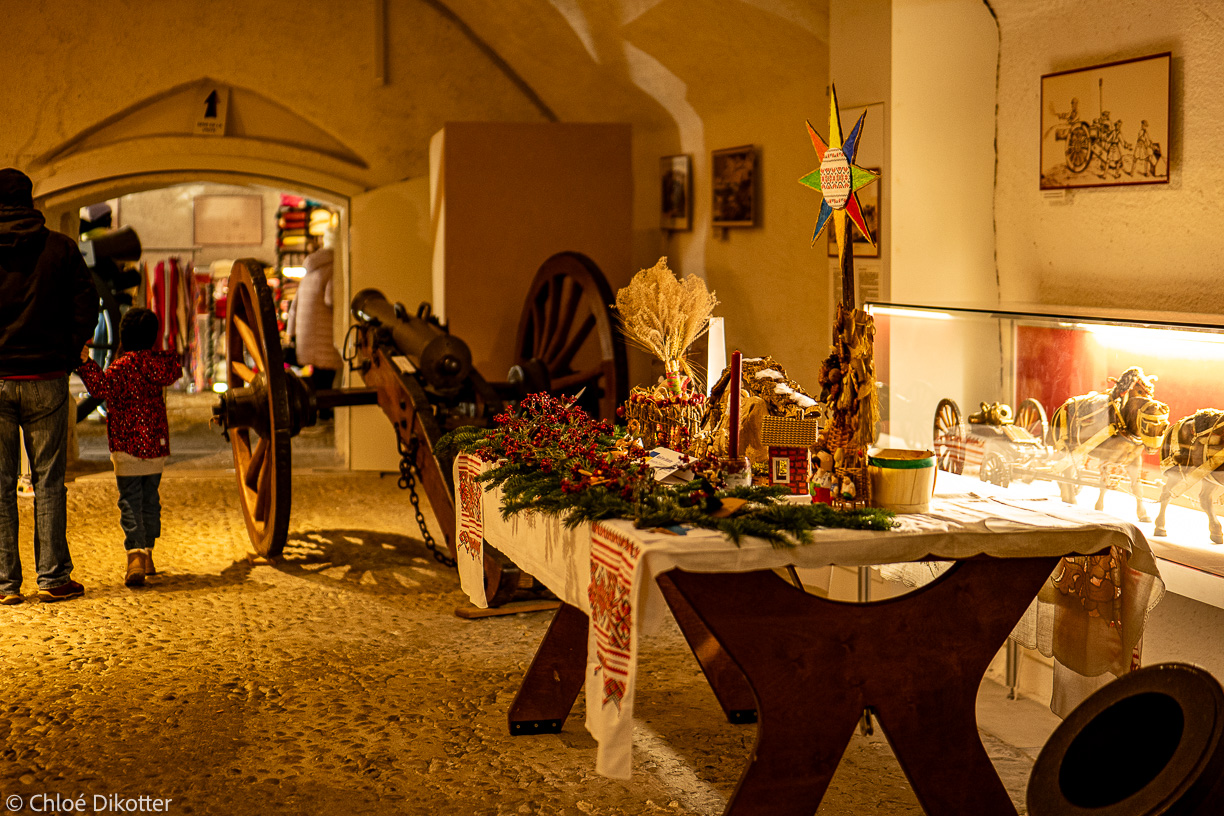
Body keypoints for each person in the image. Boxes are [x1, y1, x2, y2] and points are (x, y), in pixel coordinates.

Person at [0, 167, 95, 603]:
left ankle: (4, 583)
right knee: (49, 480)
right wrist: (67, 350)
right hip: (46, 377)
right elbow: (86, 303)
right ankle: (54, 577)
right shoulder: (60, 248)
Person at [77, 308, 181, 587]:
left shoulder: (123, 367)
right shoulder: (159, 365)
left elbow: (100, 388)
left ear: (124, 335)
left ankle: (134, 554)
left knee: (129, 501)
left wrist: (85, 361)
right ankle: (148, 552)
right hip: (156, 446)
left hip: (126, 445)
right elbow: (175, 369)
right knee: (150, 499)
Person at [286, 224, 342, 420]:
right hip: (324, 334)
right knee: (326, 378)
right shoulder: (334, 269)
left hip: (308, 334)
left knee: (320, 377)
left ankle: (313, 409)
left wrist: (291, 334)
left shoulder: (311, 270)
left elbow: (294, 305)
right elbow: (331, 299)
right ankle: (320, 411)